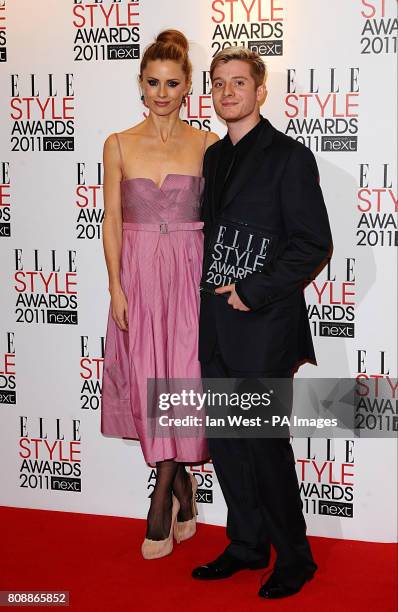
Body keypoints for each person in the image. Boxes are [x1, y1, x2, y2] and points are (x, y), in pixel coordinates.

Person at [192, 47, 333, 599]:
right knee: (228, 443)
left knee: (264, 445)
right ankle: (247, 545)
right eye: (219, 84)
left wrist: (252, 291)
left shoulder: (289, 158)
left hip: (264, 326)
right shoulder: (213, 158)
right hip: (215, 327)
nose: (228, 93)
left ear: (261, 91)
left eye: (239, 83)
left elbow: (313, 243)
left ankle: (295, 557)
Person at [100, 29, 218, 560]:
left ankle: (161, 498)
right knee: (153, 378)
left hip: (192, 273)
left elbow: (221, 220)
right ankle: (182, 493)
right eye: (153, 83)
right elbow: (112, 218)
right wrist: (115, 285)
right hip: (141, 274)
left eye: (173, 83)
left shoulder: (207, 144)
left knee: (184, 380)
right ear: (141, 86)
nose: (163, 92)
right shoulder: (119, 143)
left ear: (188, 85)